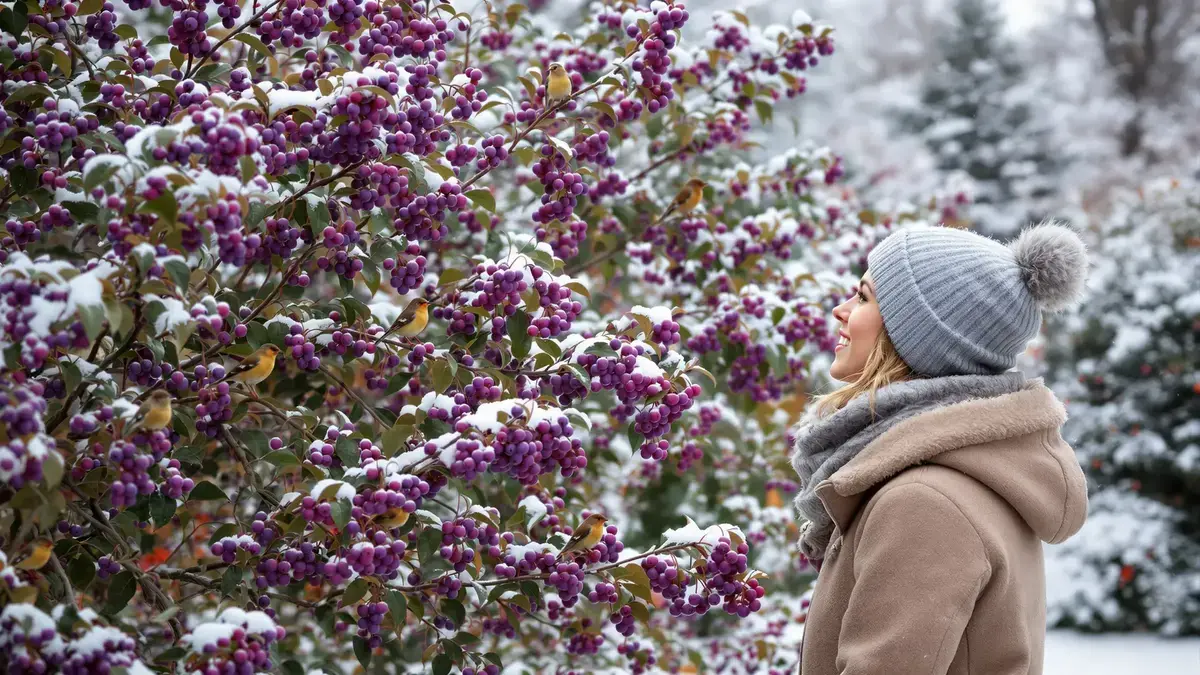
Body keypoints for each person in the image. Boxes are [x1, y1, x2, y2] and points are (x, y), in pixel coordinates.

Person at [790, 222, 1091, 675]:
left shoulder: (923, 503)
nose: (841, 309)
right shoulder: (967, 474)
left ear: (918, 337)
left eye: (864, 297)